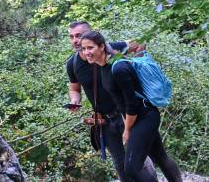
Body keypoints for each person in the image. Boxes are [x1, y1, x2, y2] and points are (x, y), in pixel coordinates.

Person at [80, 30, 183, 182]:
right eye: (84, 49)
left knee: (132, 168)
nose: (86, 52)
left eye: (90, 48)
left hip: (145, 116)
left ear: (102, 46)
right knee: (159, 155)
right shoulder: (104, 66)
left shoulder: (119, 68)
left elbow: (131, 105)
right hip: (138, 118)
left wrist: (127, 130)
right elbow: (120, 102)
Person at [65, 21, 155, 182]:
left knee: (139, 161)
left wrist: (138, 70)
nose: (75, 40)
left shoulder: (111, 49)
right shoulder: (72, 64)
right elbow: (74, 89)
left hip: (126, 115)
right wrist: (74, 100)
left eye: (79, 35)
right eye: (71, 37)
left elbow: (140, 42)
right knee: (120, 164)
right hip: (104, 121)